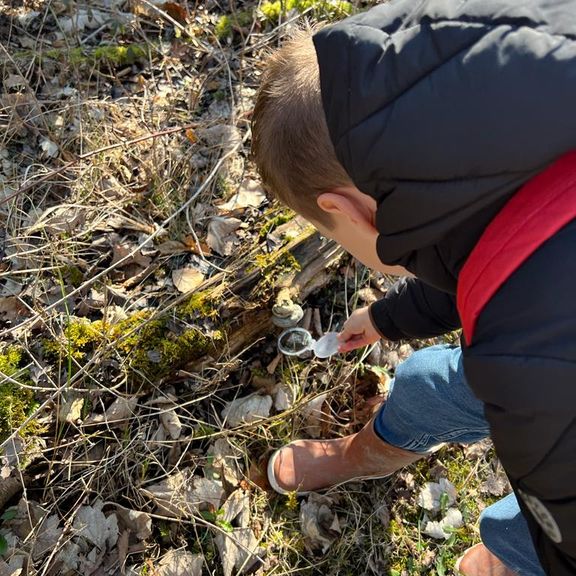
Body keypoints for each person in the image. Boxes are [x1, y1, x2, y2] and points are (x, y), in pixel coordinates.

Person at [250, 0, 576, 574]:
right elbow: (492, 249)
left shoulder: (528, 363)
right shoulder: (532, 83)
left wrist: (518, 557)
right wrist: (385, 319)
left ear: (345, 210)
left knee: (516, 545)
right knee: (430, 383)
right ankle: (365, 455)